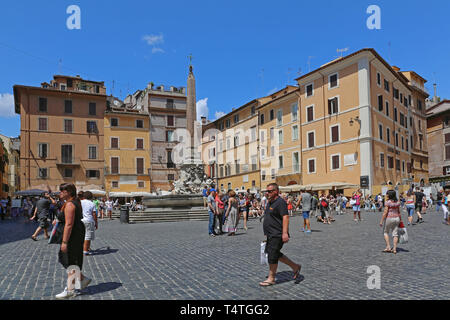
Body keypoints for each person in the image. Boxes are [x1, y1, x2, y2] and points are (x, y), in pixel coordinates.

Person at [259, 183, 301, 287]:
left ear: (276, 191)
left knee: (272, 256)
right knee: (274, 253)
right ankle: (295, 267)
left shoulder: (280, 202)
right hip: (270, 233)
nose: (267, 193)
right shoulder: (270, 202)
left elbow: (285, 217)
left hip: (277, 233)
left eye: (269, 191)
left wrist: (285, 233)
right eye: (266, 191)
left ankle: (271, 278)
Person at [55, 183, 91, 299]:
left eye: (62, 191)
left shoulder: (70, 204)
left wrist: (64, 242)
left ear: (68, 192)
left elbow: (69, 224)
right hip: (77, 233)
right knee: (69, 259)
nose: (60, 193)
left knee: (70, 260)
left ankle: (70, 289)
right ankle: (82, 279)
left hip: (73, 235)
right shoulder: (74, 202)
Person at [379, 190, 403, 254]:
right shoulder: (398, 202)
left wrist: (381, 221)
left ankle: (388, 247)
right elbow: (399, 211)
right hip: (397, 218)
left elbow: (385, 212)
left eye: (387, 194)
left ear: (389, 195)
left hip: (389, 218)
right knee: (395, 234)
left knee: (386, 232)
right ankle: (394, 249)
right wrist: (400, 220)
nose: (386, 195)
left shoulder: (388, 202)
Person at [79, 191, 98, 256]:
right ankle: (85, 250)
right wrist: (96, 222)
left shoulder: (80, 202)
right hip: (89, 220)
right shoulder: (92, 203)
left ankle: (86, 248)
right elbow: (94, 214)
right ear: (91, 197)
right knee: (88, 236)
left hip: (81, 220)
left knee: (82, 235)